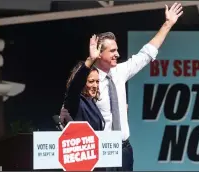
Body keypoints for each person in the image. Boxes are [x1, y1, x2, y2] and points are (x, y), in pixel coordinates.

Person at [61, 2, 183, 171]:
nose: (117, 54)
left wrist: (168, 24)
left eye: (117, 50)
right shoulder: (89, 80)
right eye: (112, 51)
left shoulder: (120, 72)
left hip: (124, 150)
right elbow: (73, 93)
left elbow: (146, 54)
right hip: (100, 152)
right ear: (99, 53)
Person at [60, 35, 105, 131]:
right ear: (83, 82)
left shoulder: (91, 101)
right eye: (91, 81)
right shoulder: (75, 101)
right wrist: (90, 60)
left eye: (97, 81)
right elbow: (75, 85)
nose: (95, 85)